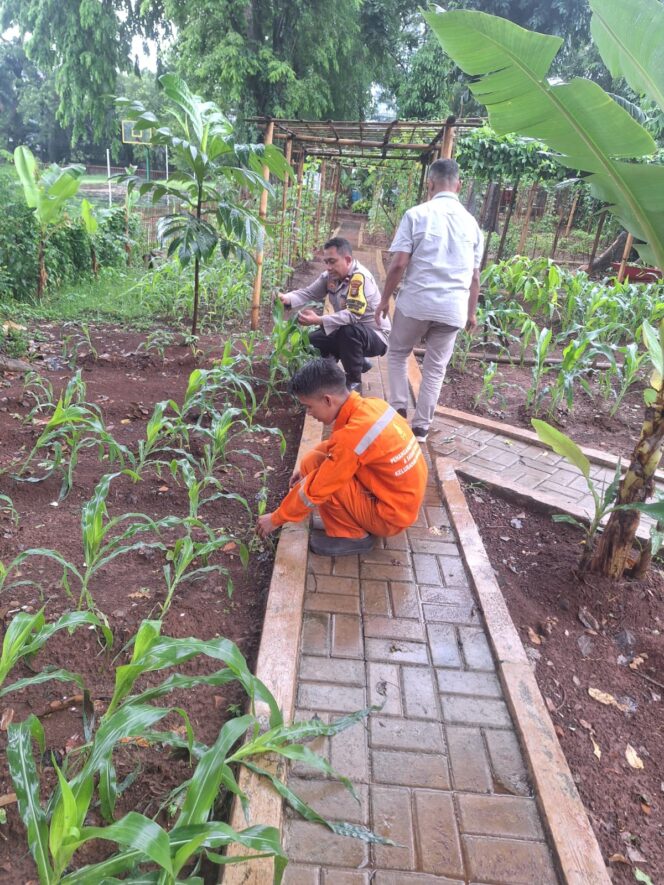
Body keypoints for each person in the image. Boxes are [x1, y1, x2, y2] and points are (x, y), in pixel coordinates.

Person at [255, 358, 427, 556]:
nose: (309, 413)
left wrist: (276, 518)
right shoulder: (372, 405)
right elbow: (338, 447)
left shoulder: (353, 435)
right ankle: (352, 521)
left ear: (328, 400)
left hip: (390, 517)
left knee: (324, 482)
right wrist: (303, 470)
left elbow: (320, 485)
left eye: (309, 407)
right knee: (311, 462)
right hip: (399, 501)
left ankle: (352, 536)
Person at [375, 159, 483, 442]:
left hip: (417, 303)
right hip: (453, 308)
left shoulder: (416, 215)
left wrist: (384, 299)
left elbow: (399, 263)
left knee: (398, 352)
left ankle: (398, 409)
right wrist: (471, 313)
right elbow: (475, 277)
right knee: (435, 368)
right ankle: (421, 428)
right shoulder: (472, 225)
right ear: (459, 185)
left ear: (430, 184)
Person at [278, 237, 390, 393]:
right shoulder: (331, 276)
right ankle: (332, 376)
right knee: (312, 341)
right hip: (348, 331)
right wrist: (287, 298)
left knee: (349, 332)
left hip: (375, 335)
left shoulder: (360, 279)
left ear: (348, 260)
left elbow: (352, 316)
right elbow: (309, 293)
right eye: (326, 262)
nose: (328, 267)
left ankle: (354, 381)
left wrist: (318, 320)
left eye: (332, 261)